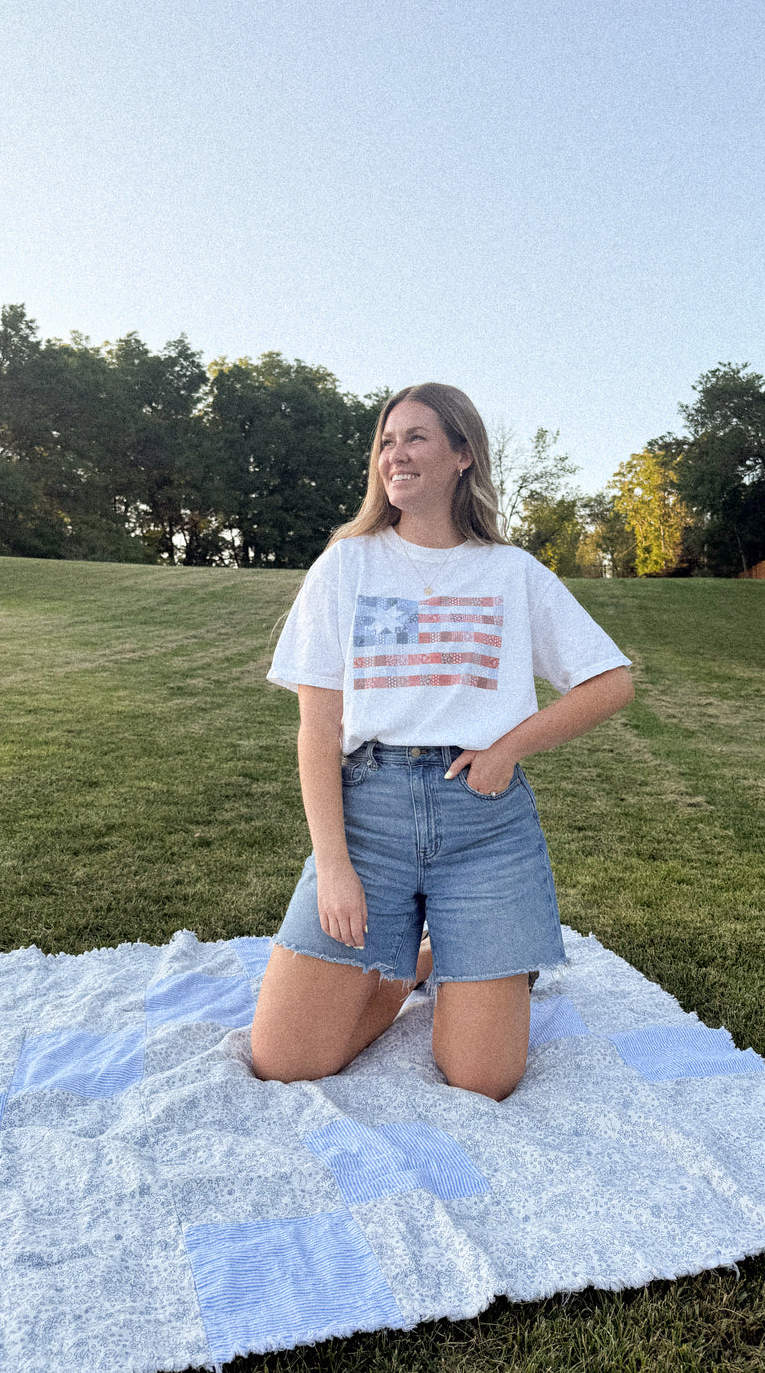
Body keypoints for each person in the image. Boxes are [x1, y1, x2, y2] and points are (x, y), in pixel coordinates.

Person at [250, 383, 633, 1101]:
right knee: (284, 1059)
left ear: (463, 455)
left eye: (416, 437)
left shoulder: (511, 572)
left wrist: (507, 748)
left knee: (483, 1077)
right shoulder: (347, 564)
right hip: (369, 819)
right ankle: (415, 964)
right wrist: (333, 867)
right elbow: (318, 728)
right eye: (386, 442)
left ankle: (448, 956)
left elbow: (610, 682)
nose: (395, 454)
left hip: (483, 827)